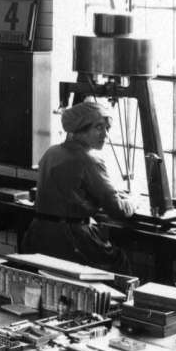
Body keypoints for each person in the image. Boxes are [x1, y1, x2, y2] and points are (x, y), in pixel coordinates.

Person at [21, 98, 133, 268]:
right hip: (70, 239)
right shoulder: (88, 160)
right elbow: (116, 209)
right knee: (119, 262)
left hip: (37, 236)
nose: (105, 135)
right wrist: (133, 202)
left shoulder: (51, 152)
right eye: (98, 128)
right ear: (80, 130)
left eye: (106, 128)